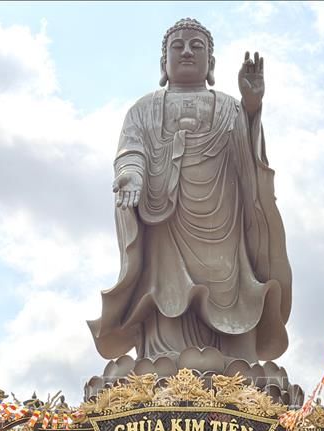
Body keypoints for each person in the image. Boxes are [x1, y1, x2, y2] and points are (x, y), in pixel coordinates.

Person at [88, 18, 292, 367]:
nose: (186, 51)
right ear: (163, 64)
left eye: (196, 46)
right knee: (165, 294)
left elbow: (252, 160)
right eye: (177, 46)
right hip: (164, 219)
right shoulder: (144, 108)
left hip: (223, 228)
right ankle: (163, 357)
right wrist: (130, 175)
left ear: (211, 65)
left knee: (230, 294)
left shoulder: (231, 108)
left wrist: (252, 107)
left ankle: (233, 360)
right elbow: (131, 150)